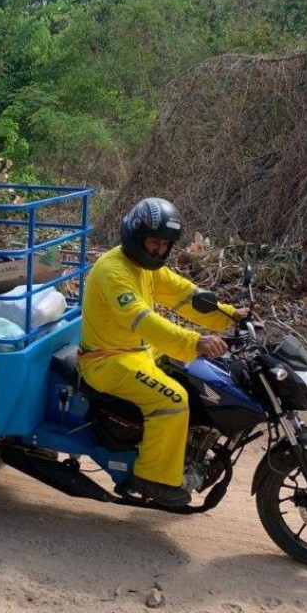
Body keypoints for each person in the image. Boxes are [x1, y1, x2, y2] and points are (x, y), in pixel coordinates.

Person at [79, 197, 246, 507]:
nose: (158, 249)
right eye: (153, 242)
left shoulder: (146, 267)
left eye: (164, 244)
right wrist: (195, 341)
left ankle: (183, 451)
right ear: (136, 236)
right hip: (107, 361)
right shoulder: (114, 271)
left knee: (198, 378)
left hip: (137, 352)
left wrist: (231, 314)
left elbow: (186, 296)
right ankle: (151, 477)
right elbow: (143, 320)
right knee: (173, 399)